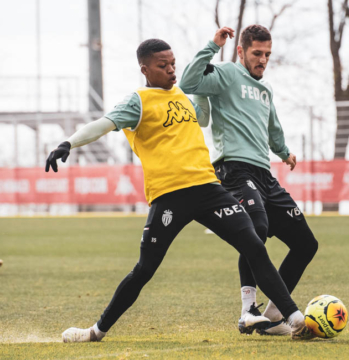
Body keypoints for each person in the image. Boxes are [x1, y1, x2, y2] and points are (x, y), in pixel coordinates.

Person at [45, 38, 312, 342]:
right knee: (145, 270)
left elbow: (204, 115)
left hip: (209, 188)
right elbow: (103, 124)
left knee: (253, 242)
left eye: (173, 63)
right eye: (163, 65)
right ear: (145, 69)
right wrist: (68, 142)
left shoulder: (183, 94)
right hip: (170, 195)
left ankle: (292, 317)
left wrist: (206, 85)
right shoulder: (139, 101)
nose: (172, 70)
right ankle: (96, 331)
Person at [180, 25, 318, 336]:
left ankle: (271, 319)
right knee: (257, 231)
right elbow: (189, 81)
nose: (263, 59)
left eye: (267, 54)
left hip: (265, 175)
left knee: (306, 244)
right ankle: (248, 310)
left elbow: (273, 128)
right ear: (241, 51)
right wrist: (211, 46)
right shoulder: (227, 74)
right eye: (257, 53)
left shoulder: (266, 90)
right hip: (234, 170)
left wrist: (284, 152)